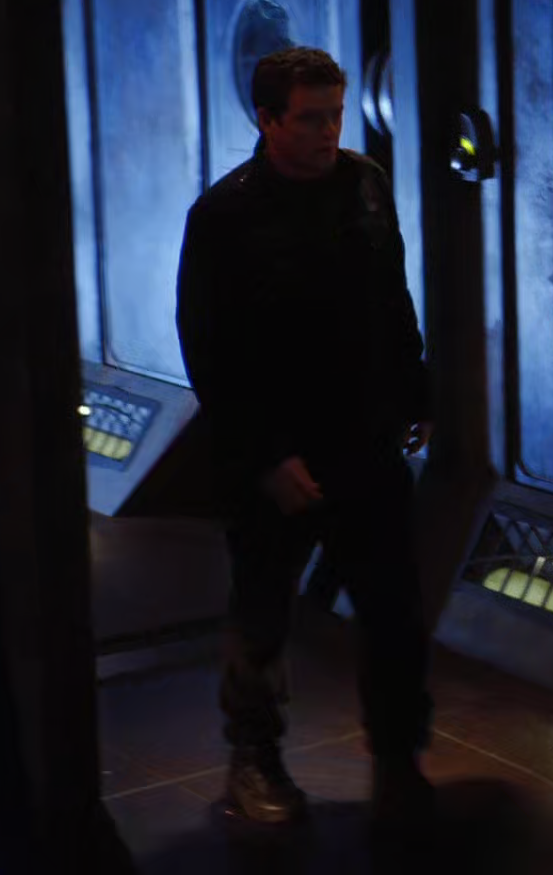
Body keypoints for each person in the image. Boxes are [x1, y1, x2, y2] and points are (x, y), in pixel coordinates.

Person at [175, 46, 436, 836]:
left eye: (335, 114)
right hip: (279, 446)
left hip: (364, 434)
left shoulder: (364, 184)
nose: (328, 132)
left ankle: (398, 756)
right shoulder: (225, 216)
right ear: (267, 120)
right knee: (262, 610)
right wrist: (264, 456)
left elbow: (392, 296)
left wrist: (415, 390)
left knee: (392, 607)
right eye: (311, 118)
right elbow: (209, 350)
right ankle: (253, 757)